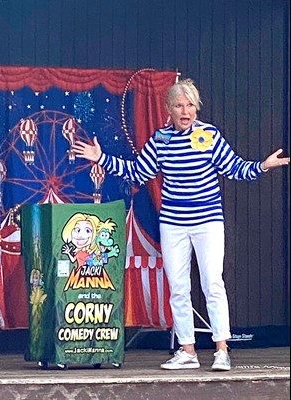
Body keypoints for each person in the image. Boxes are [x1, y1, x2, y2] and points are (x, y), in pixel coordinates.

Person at [73, 78, 289, 372]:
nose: (185, 110)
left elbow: (235, 168)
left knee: (212, 282)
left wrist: (262, 166)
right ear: (168, 109)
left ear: (196, 108)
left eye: (189, 105)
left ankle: (221, 350)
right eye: (178, 105)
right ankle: (187, 351)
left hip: (207, 221)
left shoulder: (208, 135)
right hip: (173, 223)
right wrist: (101, 158)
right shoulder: (161, 140)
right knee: (178, 287)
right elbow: (137, 172)